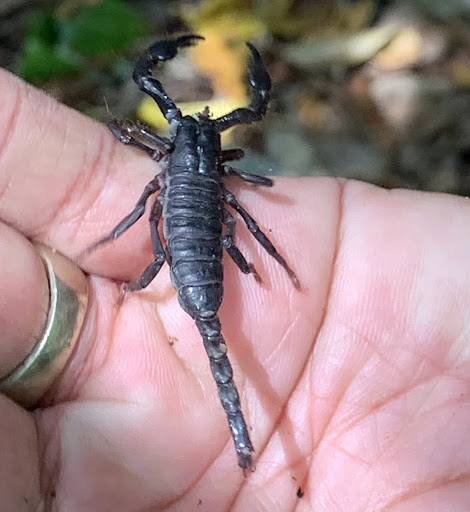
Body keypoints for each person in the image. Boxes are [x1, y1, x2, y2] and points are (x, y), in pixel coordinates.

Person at [0, 67, 469, 512]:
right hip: (202, 243)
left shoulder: (166, 162)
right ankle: (246, 438)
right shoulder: (220, 168)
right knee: (218, 237)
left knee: (168, 245)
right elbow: (249, 198)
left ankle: (241, 440)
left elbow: (143, 189)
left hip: (187, 246)